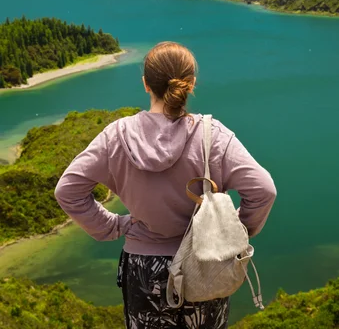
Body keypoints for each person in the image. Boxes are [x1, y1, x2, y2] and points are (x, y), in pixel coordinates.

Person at [55, 41, 277, 328]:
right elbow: (264, 190)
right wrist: (236, 230)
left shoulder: (116, 136)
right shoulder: (213, 136)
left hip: (143, 269)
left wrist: (114, 226)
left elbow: (68, 191)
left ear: (146, 84)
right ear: (191, 83)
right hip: (206, 264)